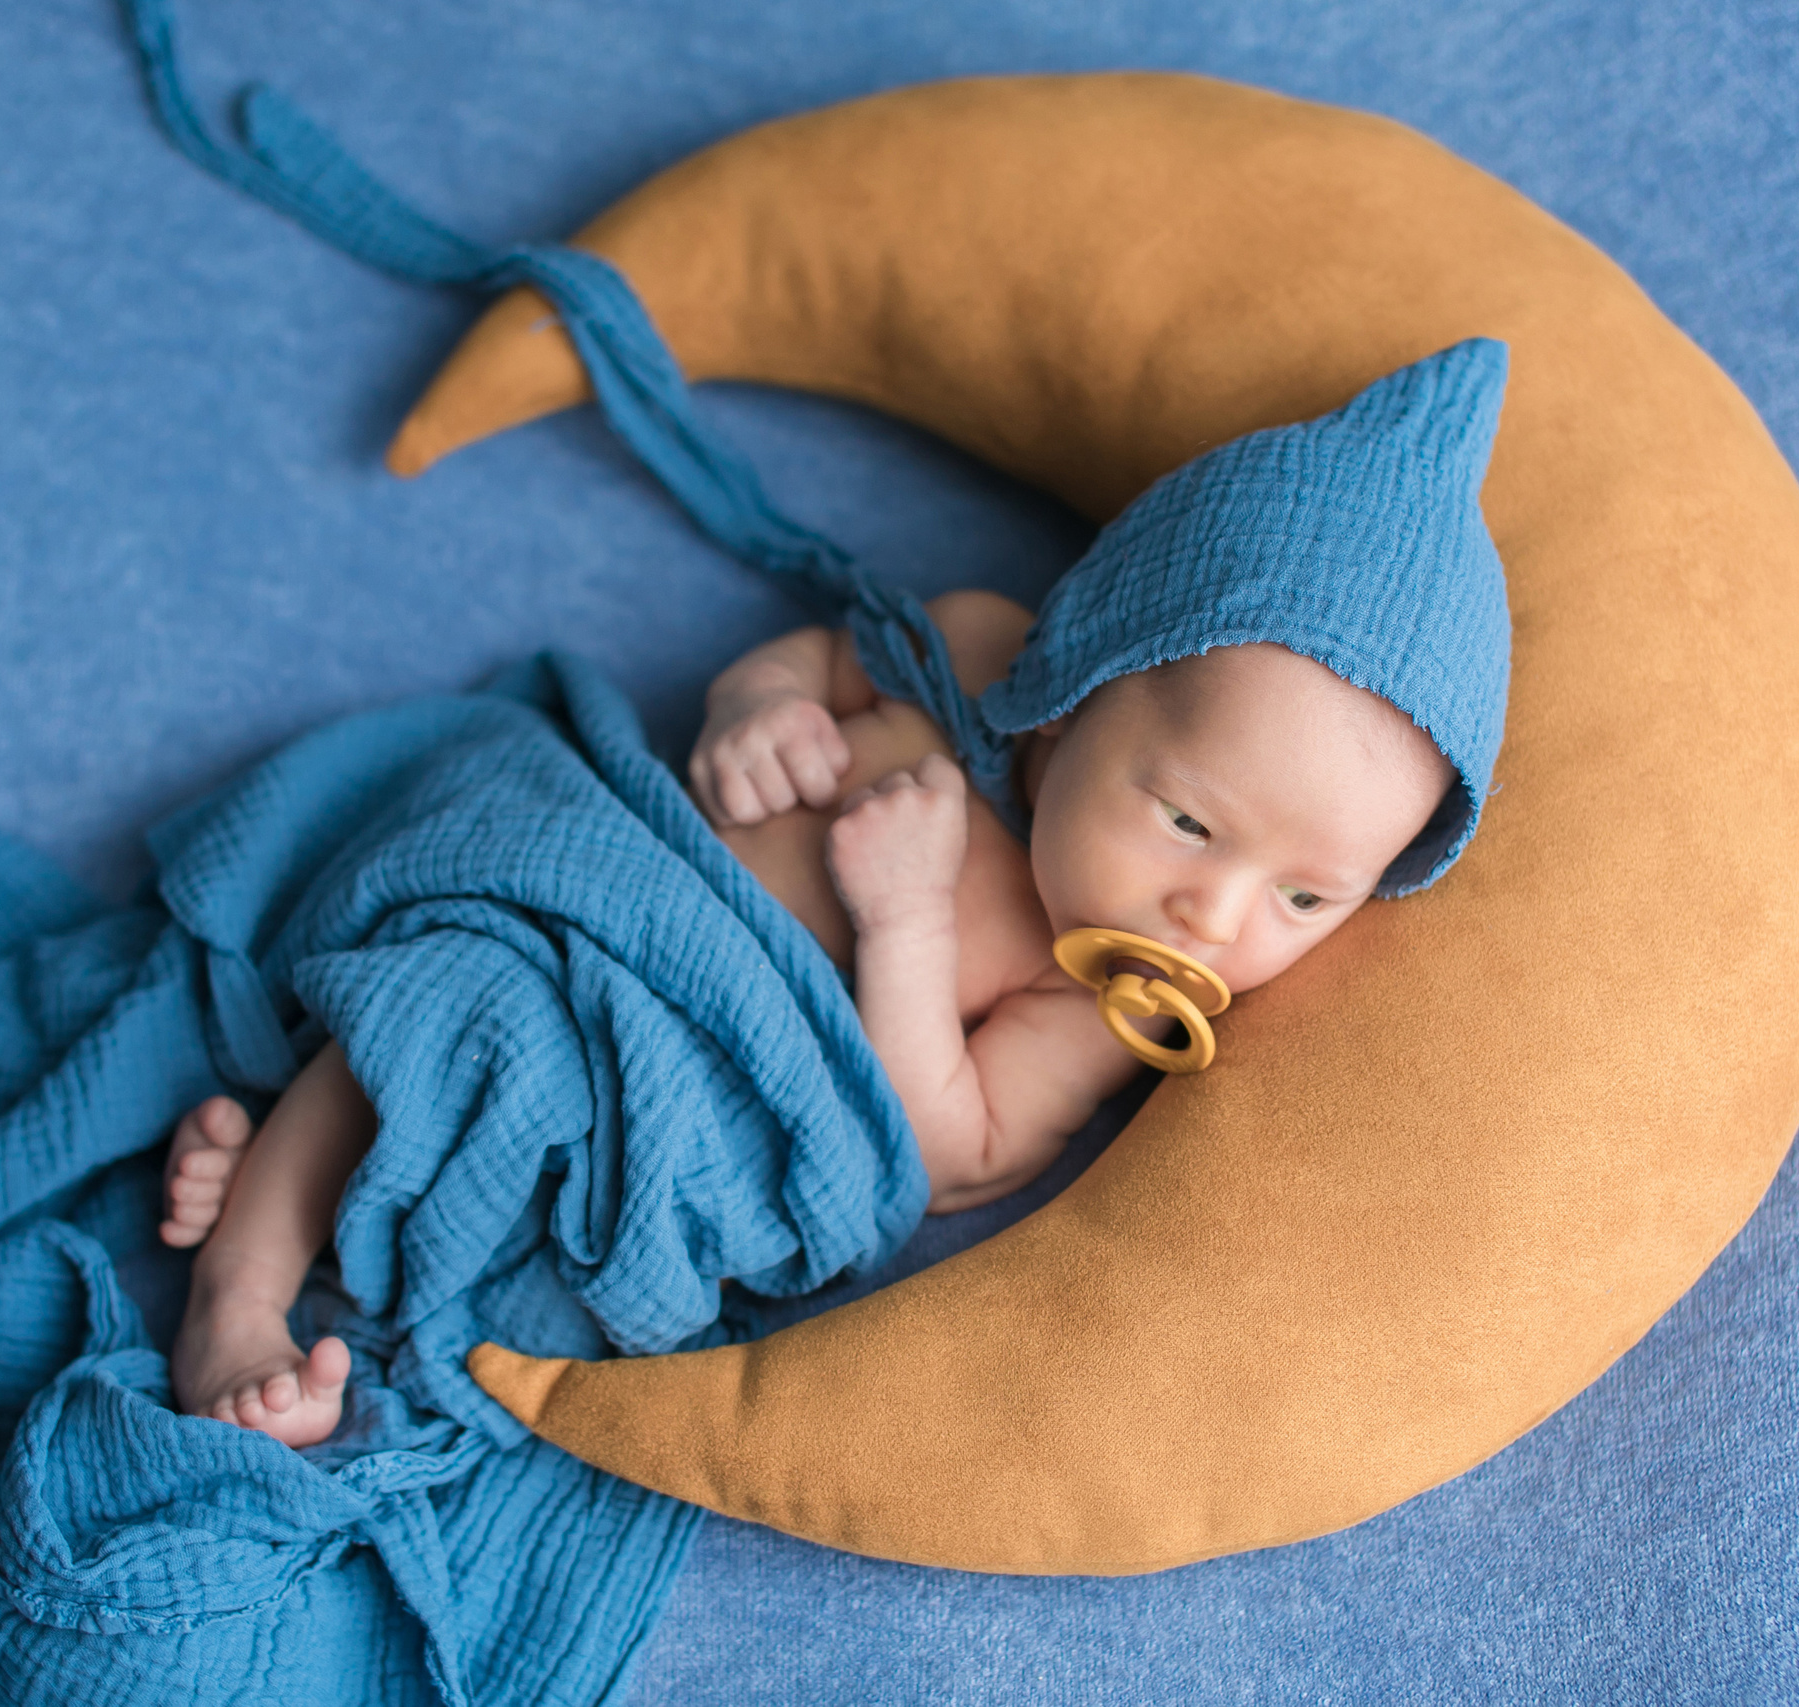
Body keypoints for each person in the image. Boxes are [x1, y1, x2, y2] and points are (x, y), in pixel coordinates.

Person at [160, 336, 1515, 1447]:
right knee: (458, 982)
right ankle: (246, 1284)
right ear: (1078, 686)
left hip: (725, 1076)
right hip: (618, 893)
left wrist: (908, 924)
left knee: (544, 1124)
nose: (1213, 918)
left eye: (1307, 901)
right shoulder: (979, 650)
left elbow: (953, 1150)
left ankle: (314, 1193)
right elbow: (815, 661)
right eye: (1188, 821)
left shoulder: (1093, 994)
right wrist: (757, 711)